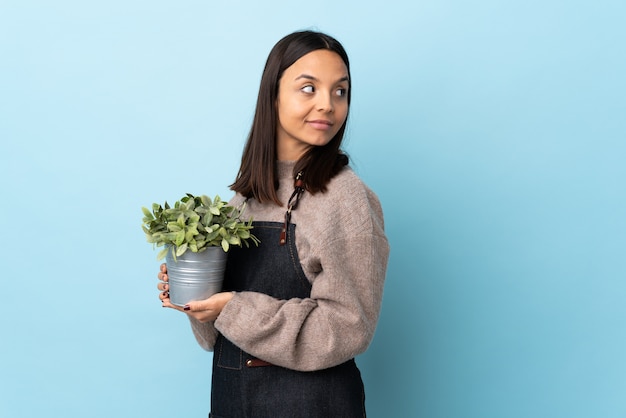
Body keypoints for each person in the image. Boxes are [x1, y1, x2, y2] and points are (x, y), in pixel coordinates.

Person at [157, 30, 390, 417]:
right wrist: (196, 299)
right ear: (273, 94)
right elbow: (216, 338)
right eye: (309, 88)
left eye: (339, 91)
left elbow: (350, 326)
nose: (328, 105)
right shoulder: (243, 199)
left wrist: (233, 308)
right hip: (233, 402)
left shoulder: (345, 197)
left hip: (313, 406)